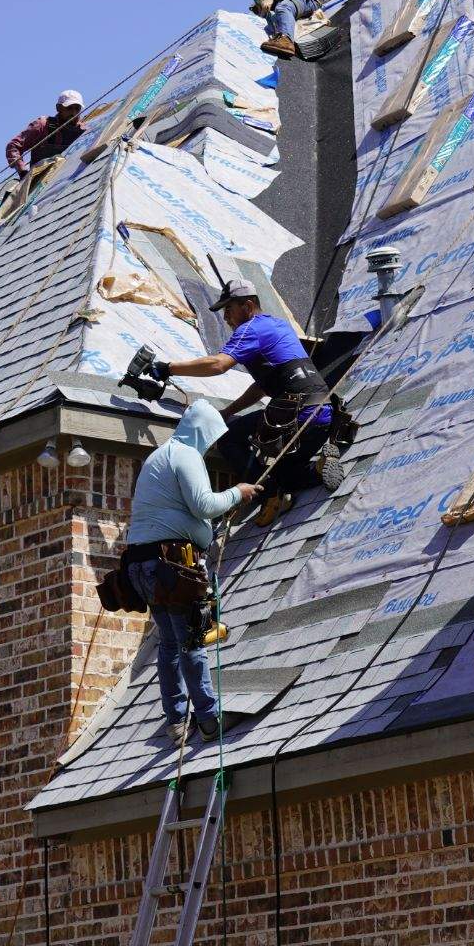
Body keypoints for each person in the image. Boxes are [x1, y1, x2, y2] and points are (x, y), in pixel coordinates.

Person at [122, 398, 258, 748]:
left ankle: (176, 722)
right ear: (202, 431)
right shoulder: (186, 456)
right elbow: (203, 505)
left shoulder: (159, 456)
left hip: (142, 566)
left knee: (168, 644)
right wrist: (237, 492)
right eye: (211, 438)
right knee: (192, 640)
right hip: (170, 568)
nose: (210, 445)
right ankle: (210, 720)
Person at [158, 282, 347, 518]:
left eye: (229, 309)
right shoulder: (279, 325)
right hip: (323, 414)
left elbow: (219, 364)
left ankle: (268, 496)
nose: (226, 317)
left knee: (227, 438)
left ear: (248, 306)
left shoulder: (250, 329)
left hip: (297, 412)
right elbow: (262, 386)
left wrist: (168, 368)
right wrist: (228, 411)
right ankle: (318, 470)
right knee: (284, 473)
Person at [5, 89, 86, 174]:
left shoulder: (83, 130)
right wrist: (22, 171)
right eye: (69, 108)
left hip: (68, 176)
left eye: (77, 108)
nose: (73, 113)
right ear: (58, 108)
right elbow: (13, 146)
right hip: (42, 179)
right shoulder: (43, 125)